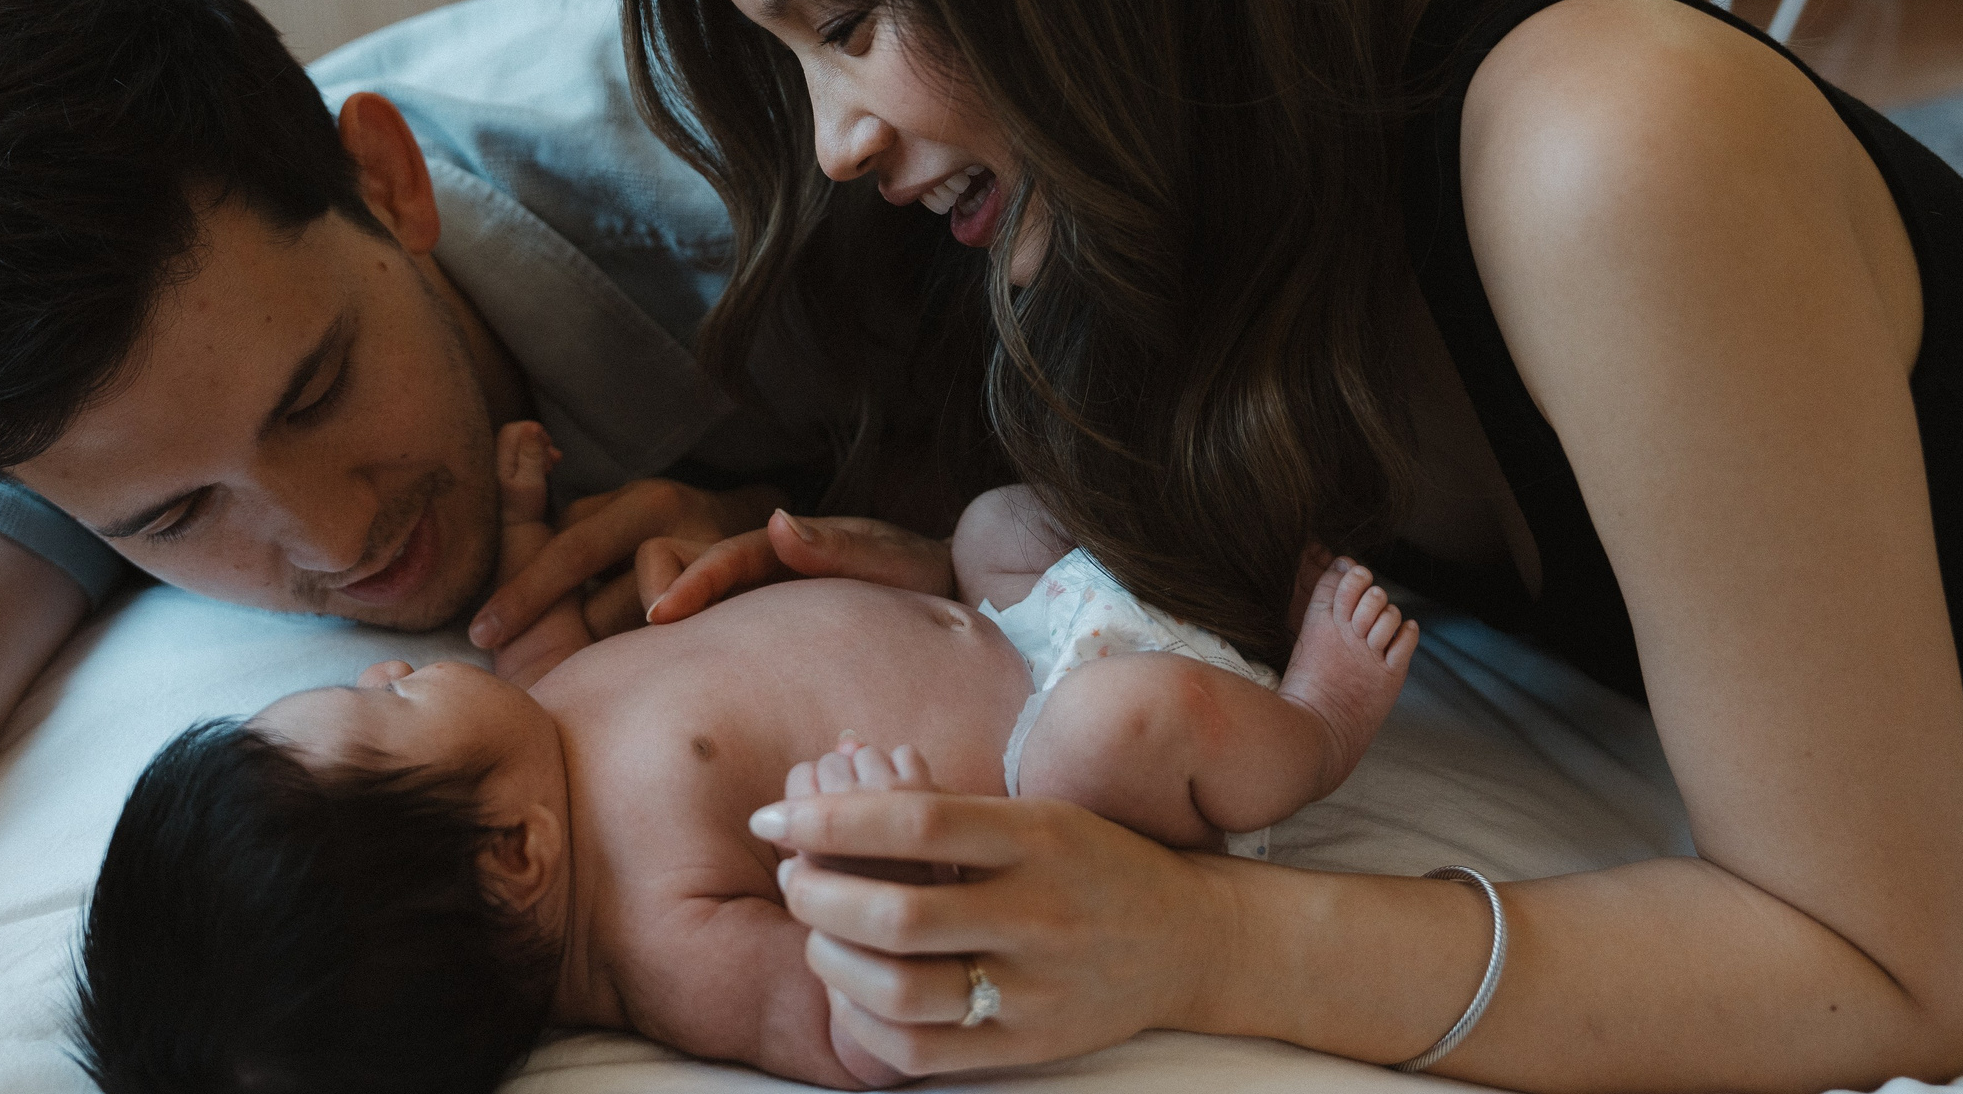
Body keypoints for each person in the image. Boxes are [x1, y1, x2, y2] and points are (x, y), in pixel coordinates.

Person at [567, 0, 1963, 1088]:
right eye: (793, 60)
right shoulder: (1150, 221)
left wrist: (1195, 944)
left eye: (850, 19)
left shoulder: (1609, 155)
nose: (837, 143)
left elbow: (1875, 970)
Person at [0, 0, 851, 1094]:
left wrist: (821, 508)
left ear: (385, 186)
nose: (334, 538)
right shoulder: (28, 381)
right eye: (175, 513)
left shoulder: (785, 173)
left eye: (319, 389)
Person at [69, 422, 1413, 1091]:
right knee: (1112, 728)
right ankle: (1314, 724)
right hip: (1071, 778)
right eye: (380, 710)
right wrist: (866, 874)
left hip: (1017, 612)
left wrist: (529, 508)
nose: (384, 666)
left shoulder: (532, 723)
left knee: (1002, 507)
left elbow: (536, 614)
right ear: (513, 857)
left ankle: (1248, 553)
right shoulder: (664, 942)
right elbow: (856, 1036)